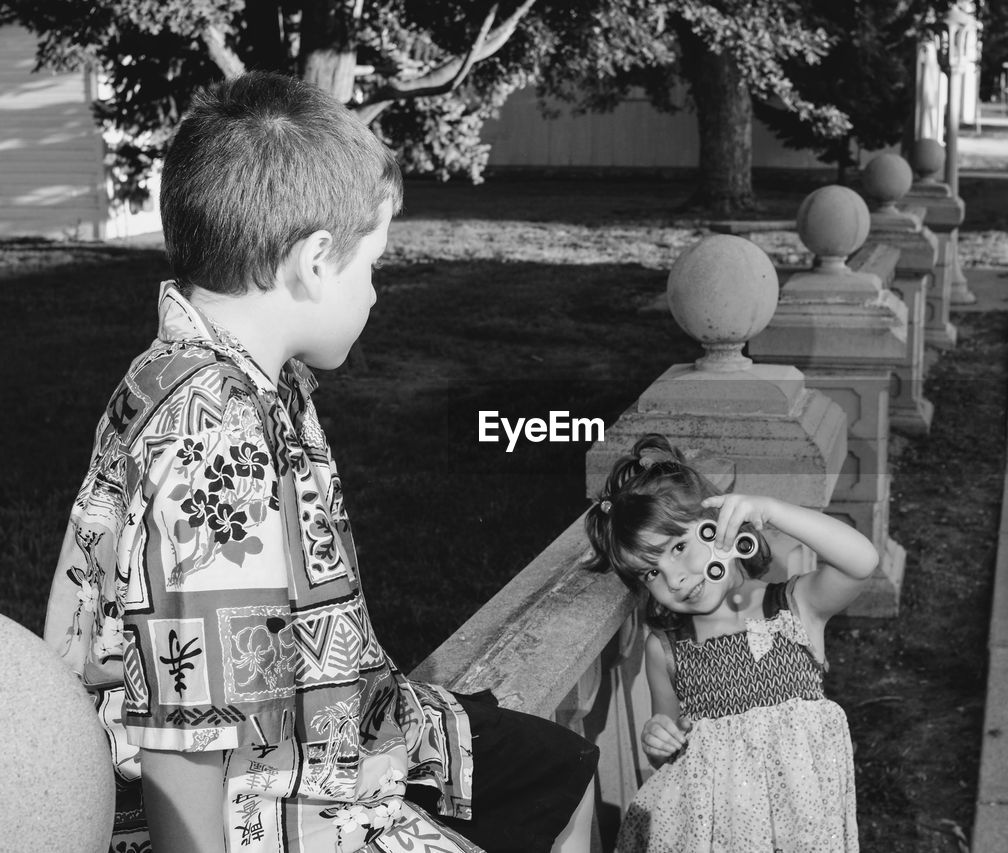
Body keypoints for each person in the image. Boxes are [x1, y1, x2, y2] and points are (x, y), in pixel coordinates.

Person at [42, 71, 597, 853]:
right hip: (271, 796)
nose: (375, 293)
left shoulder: (223, 372)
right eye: (373, 264)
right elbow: (184, 738)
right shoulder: (214, 437)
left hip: (341, 717)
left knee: (560, 768)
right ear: (313, 262)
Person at [584, 434, 879, 852]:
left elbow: (861, 562)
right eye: (650, 573)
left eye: (679, 547)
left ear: (721, 526)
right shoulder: (665, 649)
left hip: (804, 832)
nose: (675, 579)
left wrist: (771, 511)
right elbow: (669, 747)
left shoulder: (795, 606)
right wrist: (657, 735)